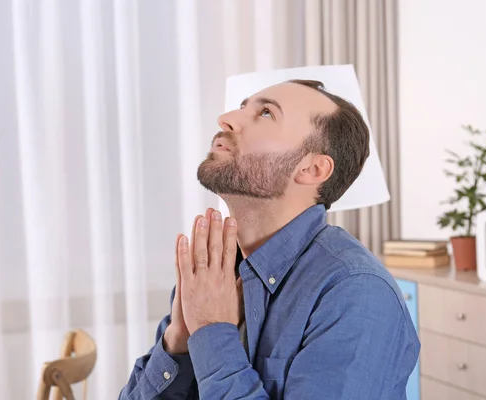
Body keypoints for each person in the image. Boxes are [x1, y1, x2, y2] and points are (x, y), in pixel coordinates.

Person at [119, 79, 420, 399]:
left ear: (313, 169)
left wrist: (210, 334)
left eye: (265, 113)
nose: (227, 118)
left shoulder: (356, 291)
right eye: (243, 106)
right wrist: (178, 341)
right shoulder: (214, 275)